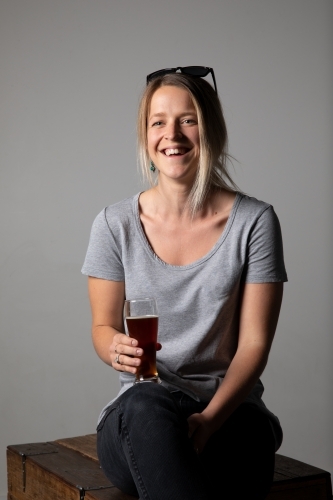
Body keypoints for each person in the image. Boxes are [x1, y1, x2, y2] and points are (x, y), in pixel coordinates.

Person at [82, 66, 288, 499]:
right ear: (146, 135)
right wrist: (114, 348)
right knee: (144, 404)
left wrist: (210, 420)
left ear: (209, 129)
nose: (171, 134)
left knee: (251, 430)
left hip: (228, 412)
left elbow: (254, 346)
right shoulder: (113, 224)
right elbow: (103, 329)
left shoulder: (254, 222)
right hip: (142, 418)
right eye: (158, 122)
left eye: (187, 119)